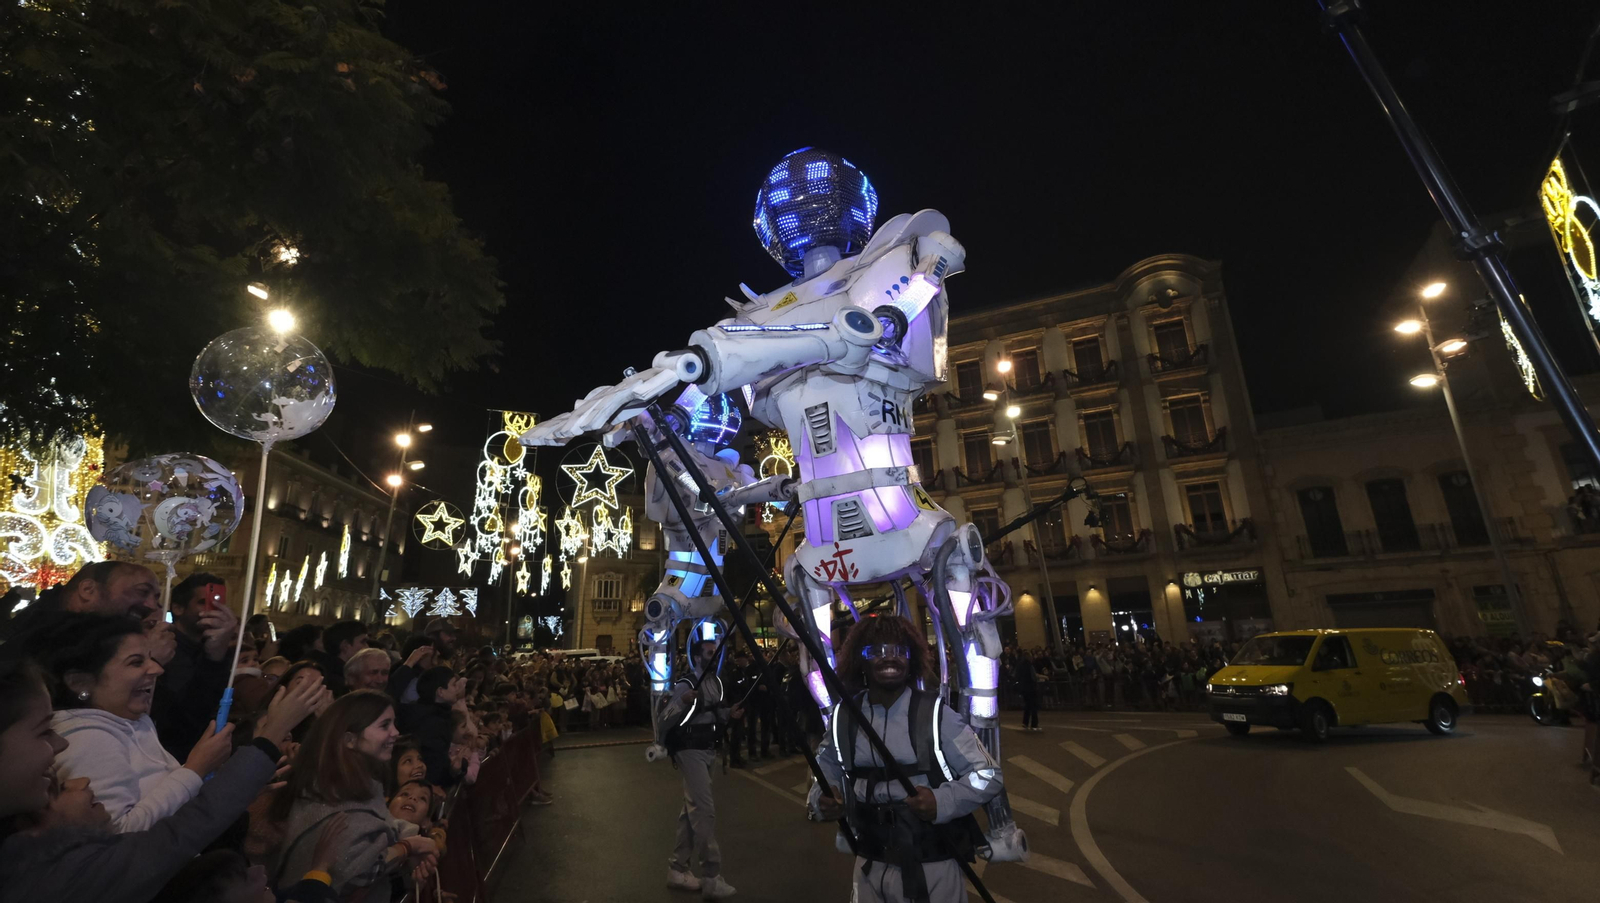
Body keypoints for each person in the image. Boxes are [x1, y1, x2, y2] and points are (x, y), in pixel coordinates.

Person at [0, 652, 325, 903]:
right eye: (43, 731)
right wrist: (270, 736)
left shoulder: (133, 727)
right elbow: (184, 830)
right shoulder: (52, 871)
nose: (61, 743)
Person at [811, 615, 1001, 903]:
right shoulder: (844, 716)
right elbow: (825, 769)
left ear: (912, 659)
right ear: (860, 660)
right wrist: (823, 796)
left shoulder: (936, 715)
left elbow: (989, 775)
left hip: (932, 863)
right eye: (877, 651)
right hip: (869, 862)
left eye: (900, 651)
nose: (891, 659)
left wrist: (942, 801)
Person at [24, 613, 239, 832]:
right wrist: (196, 768)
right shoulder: (88, 739)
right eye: (136, 662)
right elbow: (120, 834)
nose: (157, 669)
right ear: (80, 682)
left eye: (149, 657)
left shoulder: (125, 721)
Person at [267, 690, 437, 901]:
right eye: (384, 725)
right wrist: (408, 847)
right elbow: (357, 872)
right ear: (350, 739)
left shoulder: (351, 784)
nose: (395, 732)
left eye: (393, 723)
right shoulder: (332, 792)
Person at [662, 638, 742, 899]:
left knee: (691, 810)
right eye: (709, 652)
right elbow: (665, 716)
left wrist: (729, 713)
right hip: (689, 750)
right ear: (697, 657)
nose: (714, 655)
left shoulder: (714, 682)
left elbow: (715, 714)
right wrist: (683, 700)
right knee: (704, 811)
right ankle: (710, 876)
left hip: (709, 750)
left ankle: (677, 868)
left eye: (715, 651)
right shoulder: (686, 683)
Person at [152, 571, 241, 760]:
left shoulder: (213, 649)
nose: (213, 609)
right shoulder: (163, 648)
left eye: (219, 603)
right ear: (178, 608)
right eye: (203, 602)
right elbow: (184, 714)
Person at [397, 666, 467, 787]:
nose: (457, 689)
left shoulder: (429, 715)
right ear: (440, 692)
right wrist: (456, 769)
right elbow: (435, 768)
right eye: (453, 685)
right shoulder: (433, 723)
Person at [1013, 651, 1040, 732]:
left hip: (1024, 688)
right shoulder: (1029, 665)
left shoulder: (1020, 666)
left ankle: (1025, 722)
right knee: (1033, 706)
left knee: (1027, 706)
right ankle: (1034, 724)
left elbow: (1016, 676)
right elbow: (1033, 677)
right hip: (1031, 688)